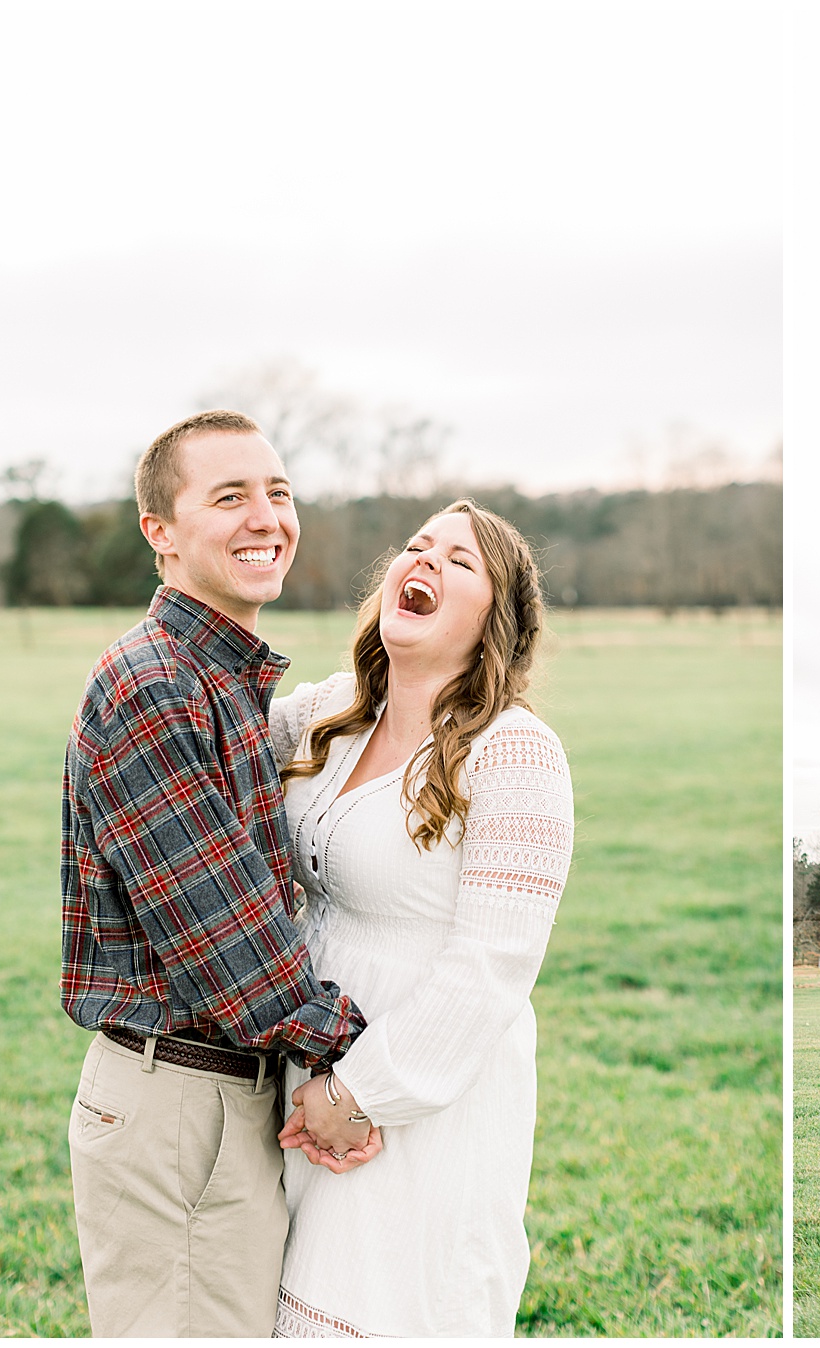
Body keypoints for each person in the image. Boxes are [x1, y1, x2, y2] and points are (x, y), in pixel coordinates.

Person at [61, 410, 378, 1338]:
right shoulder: (153, 684)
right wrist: (365, 1068)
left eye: (278, 493)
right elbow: (225, 939)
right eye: (230, 496)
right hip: (182, 1103)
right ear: (159, 531)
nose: (266, 518)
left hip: (218, 1096)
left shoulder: (225, 680)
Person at [266, 499, 574, 1338]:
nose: (426, 560)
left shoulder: (514, 751)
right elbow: (216, 730)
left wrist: (360, 1094)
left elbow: (493, 966)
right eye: (416, 545)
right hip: (305, 1072)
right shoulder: (332, 714)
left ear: (494, 622)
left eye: (460, 561)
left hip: (424, 1102)